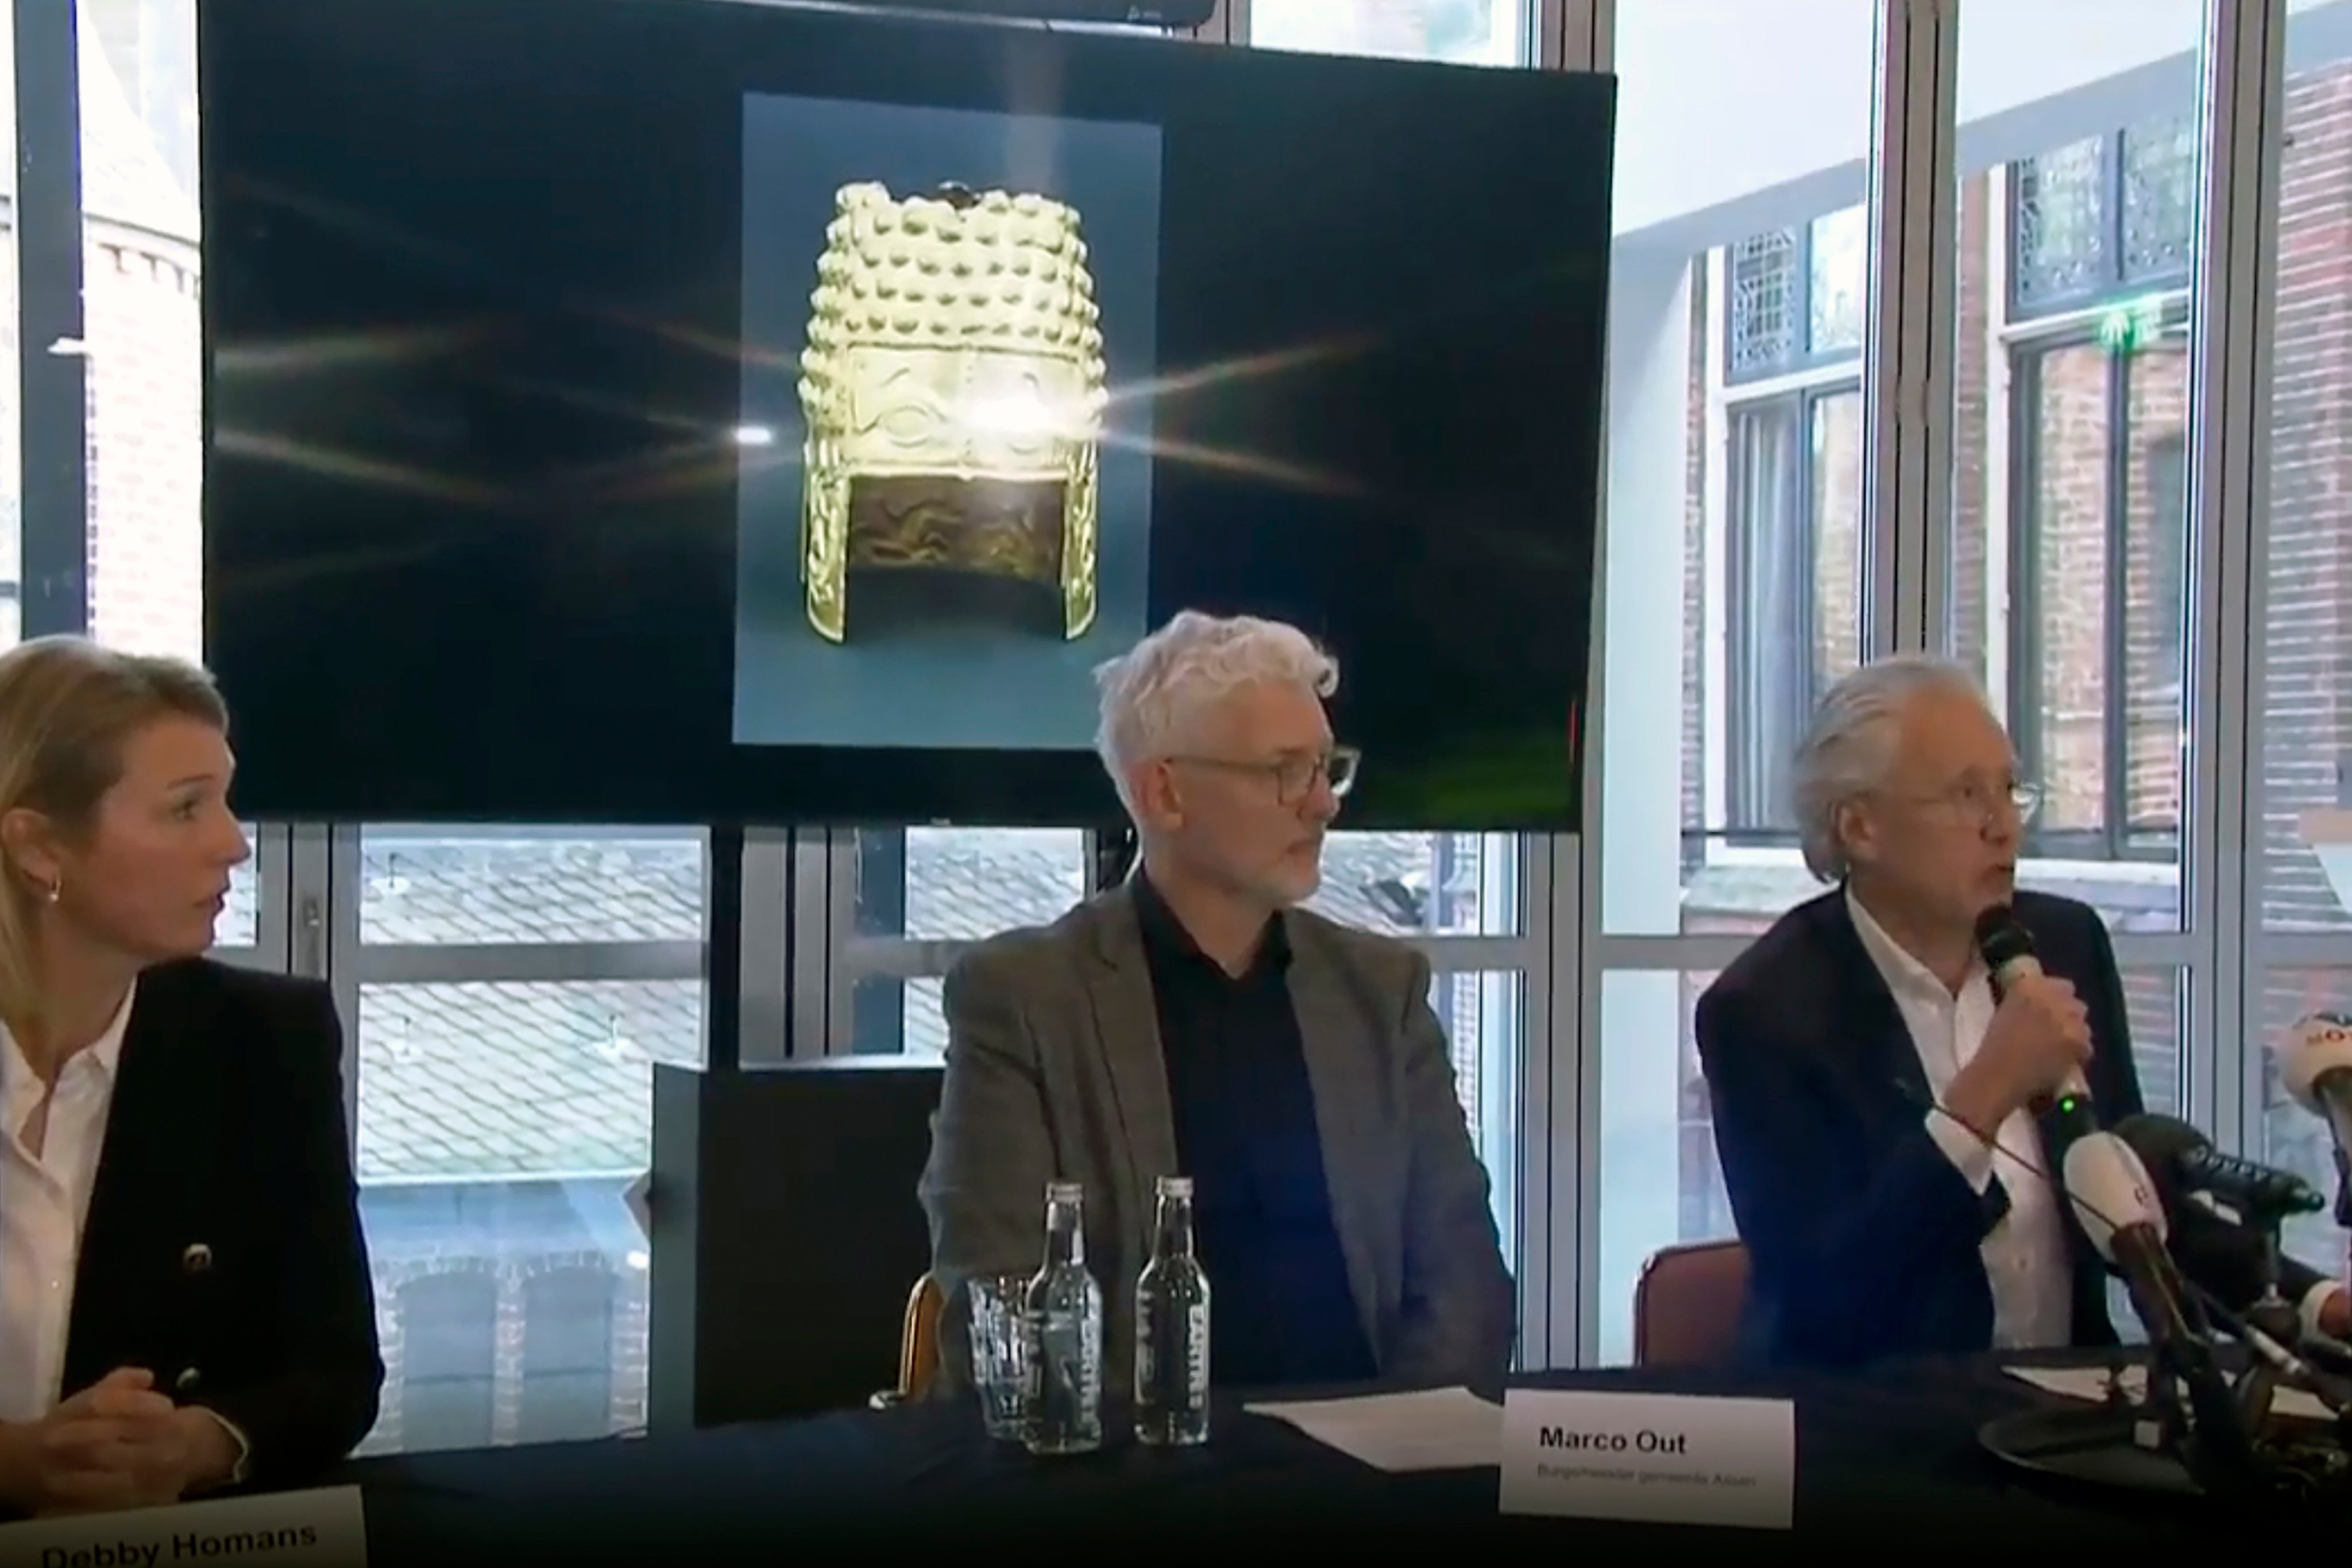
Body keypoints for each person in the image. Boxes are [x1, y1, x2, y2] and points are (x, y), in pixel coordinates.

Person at [920, 611, 1513, 1397]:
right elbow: (999, 1306)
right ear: (1163, 792)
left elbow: (1463, 1284)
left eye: (1325, 767)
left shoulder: (1380, 991)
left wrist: (1401, 1457)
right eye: (1283, 771)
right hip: (1136, 1489)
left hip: (1370, 1481)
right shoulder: (1023, 1000)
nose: (1322, 804)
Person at [1698, 654, 2351, 1366]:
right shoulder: (1763, 1012)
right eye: (1965, 794)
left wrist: (2315, 1304)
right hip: (1875, 1428)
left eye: (2010, 791)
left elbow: (2135, 1208)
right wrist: (1982, 1098)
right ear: (1860, 828)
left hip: (2064, 1407)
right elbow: (1825, 1292)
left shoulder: (2064, 944)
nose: (2003, 826)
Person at [0, 638, 381, 1516]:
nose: (234, 845)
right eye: (185, 810)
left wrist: (203, 1440)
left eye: (226, 800)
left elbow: (336, 1373)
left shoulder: (264, 1042)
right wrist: (14, 1463)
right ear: (38, 849)